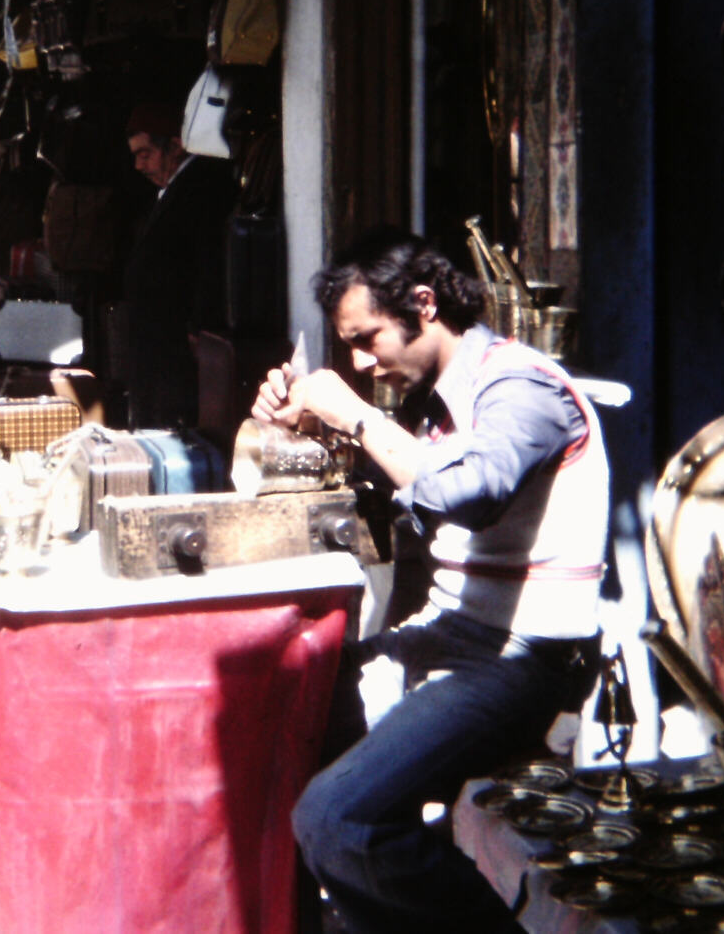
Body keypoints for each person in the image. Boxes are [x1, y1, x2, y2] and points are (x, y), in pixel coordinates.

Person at [250, 226, 608, 934]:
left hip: (525, 655)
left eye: (367, 338)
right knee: (284, 713)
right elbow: (401, 488)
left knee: (336, 817)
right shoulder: (431, 398)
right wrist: (303, 428)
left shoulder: (522, 385)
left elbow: (469, 491)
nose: (358, 360)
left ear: (423, 303)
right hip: (454, 637)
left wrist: (351, 413)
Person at [122, 99, 236, 429]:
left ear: (176, 146)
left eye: (145, 154)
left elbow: (210, 260)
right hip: (164, 343)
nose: (139, 166)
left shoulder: (201, 188)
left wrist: (199, 326)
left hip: (180, 344)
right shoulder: (178, 189)